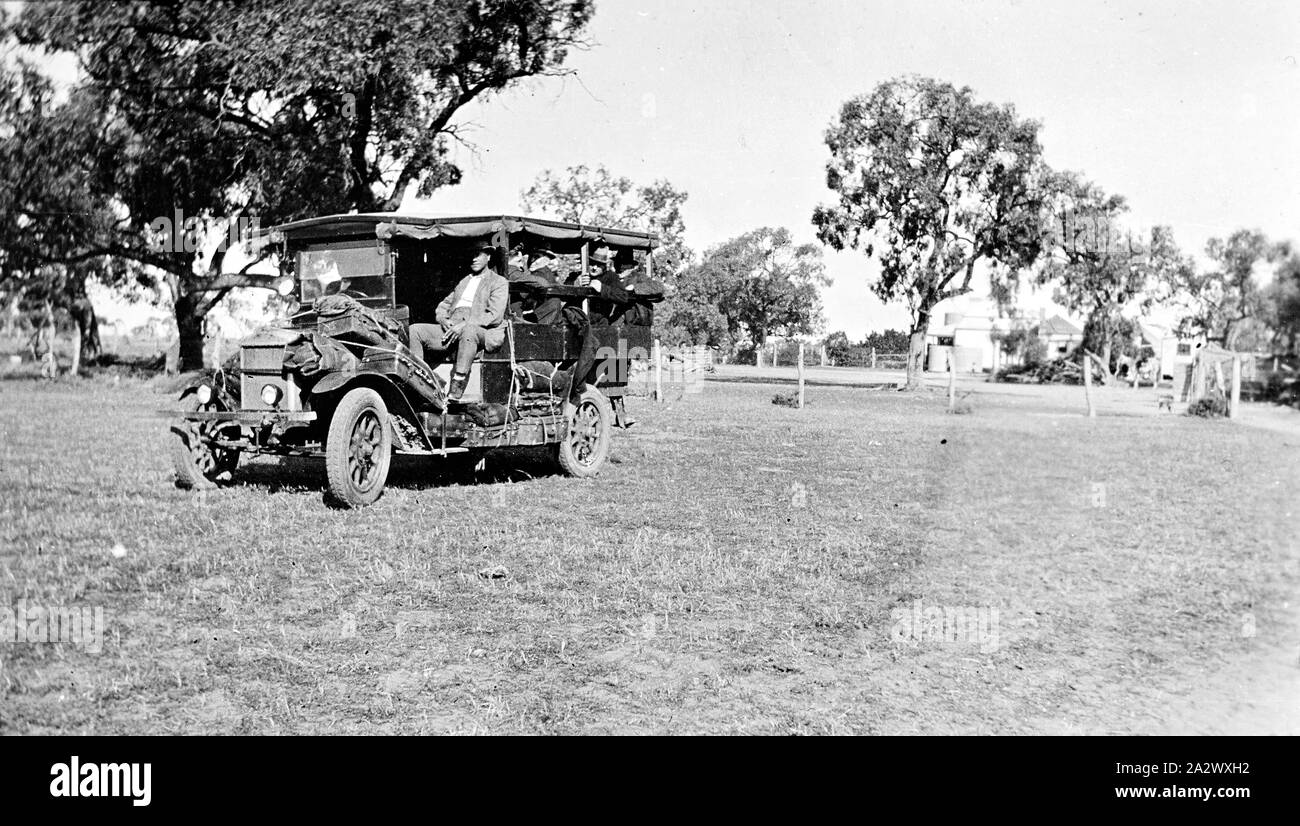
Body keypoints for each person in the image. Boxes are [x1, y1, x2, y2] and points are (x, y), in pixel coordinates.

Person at [408, 241, 508, 401]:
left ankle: (458, 383)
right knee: (415, 330)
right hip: (452, 327)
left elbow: (494, 315)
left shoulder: (498, 282)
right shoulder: (463, 281)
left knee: (469, 331)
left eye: (478, 255)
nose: (474, 259)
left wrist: (465, 324)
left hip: (481, 331)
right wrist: (442, 318)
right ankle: (419, 380)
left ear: (488, 257)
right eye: (472, 255)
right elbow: (443, 305)